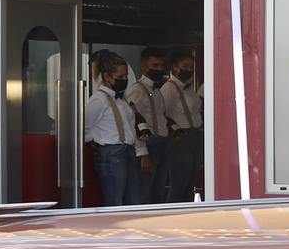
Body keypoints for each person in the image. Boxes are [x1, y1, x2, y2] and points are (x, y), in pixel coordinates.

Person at [84, 52, 146, 206]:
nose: (124, 80)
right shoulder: (98, 100)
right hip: (111, 153)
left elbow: (130, 128)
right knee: (114, 200)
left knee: (135, 200)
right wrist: (97, 139)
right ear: (107, 76)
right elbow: (84, 127)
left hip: (128, 151)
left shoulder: (122, 98)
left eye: (126, 77)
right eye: (120, 77)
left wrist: (139, 150)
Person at [124, 47, 172, 202]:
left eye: (161, 65)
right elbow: (133, 122)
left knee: (158, 192)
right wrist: (142, 152)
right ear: (144, 66)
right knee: (145, 192)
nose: (159, 69)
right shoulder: (136, 91)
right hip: (148, 145)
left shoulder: (157, 90)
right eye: (155, 65)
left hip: (162, 143)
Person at [158, 49, 204, 202]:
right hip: (181, 139)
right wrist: (175, 133)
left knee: (190, 182)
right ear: (174, 66)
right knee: (179, 183)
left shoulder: (188, 89)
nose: (189, 70)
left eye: (191, 67)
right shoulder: (169, 89)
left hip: (195, 136)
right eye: (185, 66)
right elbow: (163, 114)